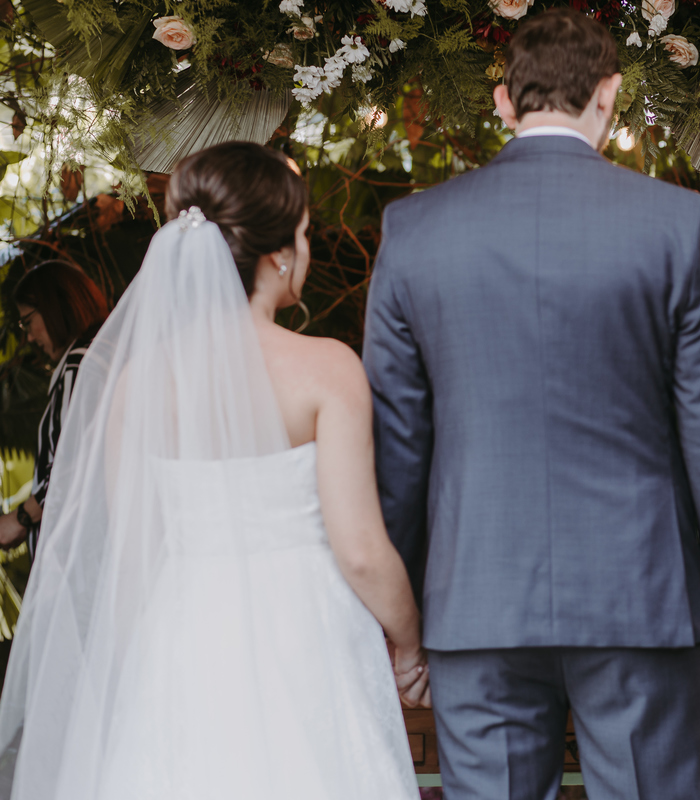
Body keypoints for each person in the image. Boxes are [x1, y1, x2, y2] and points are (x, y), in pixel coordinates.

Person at [364, 8, 700, 800]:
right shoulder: (675, 224)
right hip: (640, 597)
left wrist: (400, 623)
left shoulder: (414, 230)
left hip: (472, 599)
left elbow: (396, 445)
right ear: (609, 96)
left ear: (505, 104)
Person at [0, 142, 425, 800]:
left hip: (181, 633)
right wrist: (410, 643)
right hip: (306, 634)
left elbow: (134, 554)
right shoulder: (326, 367)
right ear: (281, 251)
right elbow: (363, 552)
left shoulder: (136, 381)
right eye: (307, 233)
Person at [0, 261, 108, 560]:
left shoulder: (79, 368)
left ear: (54, 306)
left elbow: (72, 467)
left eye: (27, 321)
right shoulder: (101, 356)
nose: (30, 338)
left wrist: (20, 519)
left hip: (81, 558)